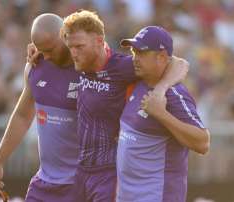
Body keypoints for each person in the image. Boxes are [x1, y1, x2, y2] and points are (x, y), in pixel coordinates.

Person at [60, 10, 189, 202]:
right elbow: (49, 48)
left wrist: (160, 90)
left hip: (109, 173)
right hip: (82, 170)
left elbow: (179, 63)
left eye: (79, 46)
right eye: (70, 47)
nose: (73, 53)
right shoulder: (80, 61)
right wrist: (35, 48)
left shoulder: (122, 66)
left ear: (99, 41)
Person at [0, 13, 80, 202]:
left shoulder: (91, 67)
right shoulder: (36, 66)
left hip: (81, 185)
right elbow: (21, 116)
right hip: (45, 182)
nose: (46, 56)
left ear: (65, 37)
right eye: (42, 50)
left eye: (50, 49)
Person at [116, 26, 210, 202]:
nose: (134, 58)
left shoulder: (175, 94)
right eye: (133, 52)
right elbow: (180, 63)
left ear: (161, 57)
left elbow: (203, 142)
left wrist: (161, 114)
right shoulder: (138, 81)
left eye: (141, 53)